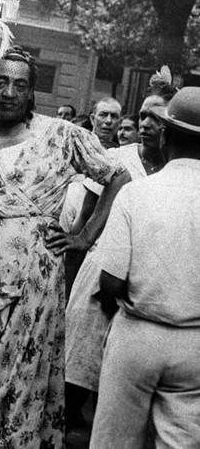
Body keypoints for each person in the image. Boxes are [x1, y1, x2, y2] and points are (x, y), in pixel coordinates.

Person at [0, 45, 130, 448]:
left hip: (38, 276)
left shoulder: (62, 135)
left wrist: (84, 237)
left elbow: (117, 177)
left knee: (26, 378)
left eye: (20, 84)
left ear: (32, 93)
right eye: (1, 82)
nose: (10, 92)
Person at [90, 87, 200, 449]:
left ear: (166, 135)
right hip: (195, 344)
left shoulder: (138, 193)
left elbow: (110, 282)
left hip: (138, 333)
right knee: (182, 442)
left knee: (114, 440)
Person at [65, 81, 174, 432]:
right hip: (104, 266)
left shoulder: (176, 169)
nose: (144, 124)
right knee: (80, 362)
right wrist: (80, 243)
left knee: (124, 378)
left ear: (171, 124)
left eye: (154, 118)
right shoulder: (117, 159)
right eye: (141, 115)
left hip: (148, 279)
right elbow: (87, 211)